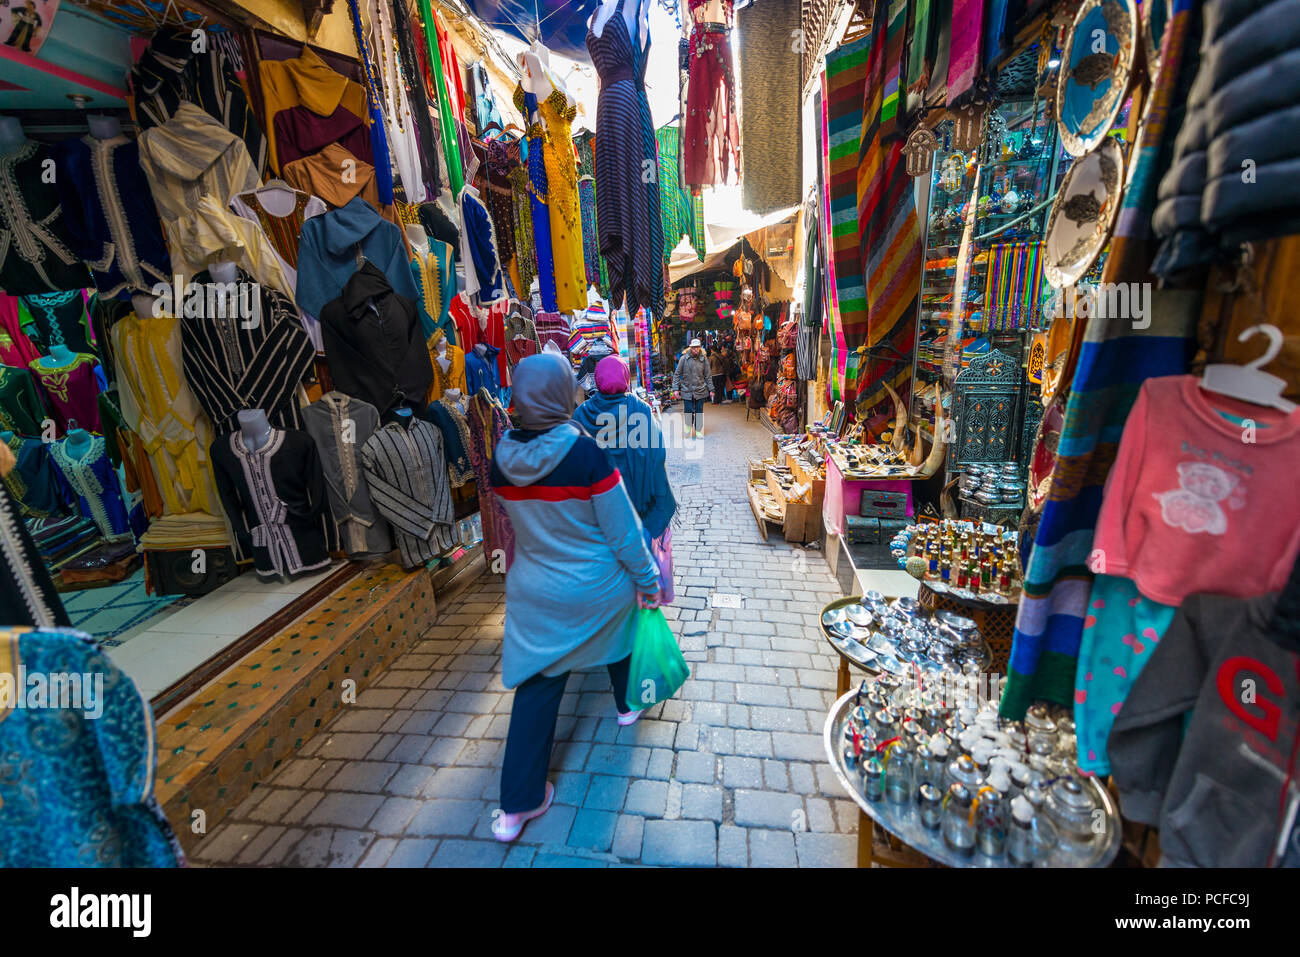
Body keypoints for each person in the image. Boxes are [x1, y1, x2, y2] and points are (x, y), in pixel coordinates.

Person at [489, 353, 661, 842]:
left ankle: (515, 809)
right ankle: (628, 705)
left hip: (536, 591)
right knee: (622, 620)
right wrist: (648, 581)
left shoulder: (502, 458)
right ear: (565, 394)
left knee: (539, 682)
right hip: (595, 585)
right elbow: (624, 531)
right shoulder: (586, 455)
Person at [574, 355, 678, 540]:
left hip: (597, 506)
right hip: (636, 502)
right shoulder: (640, 408)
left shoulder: (582, 413)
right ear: (625, 377)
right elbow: (657, 453)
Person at [672, 337, 711, 437]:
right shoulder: (683, 359)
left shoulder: (704, 359)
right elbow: (677, 374)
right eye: (693, 348)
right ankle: (688, 426)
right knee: (688, 410)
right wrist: (675, 389)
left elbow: (708, 375)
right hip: (686, 390)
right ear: (690, 348)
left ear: (700, 348)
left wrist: (711, 389)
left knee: (699, 411)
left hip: (700, 389)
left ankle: (698, 430)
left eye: (697, 348)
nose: (695, 350)